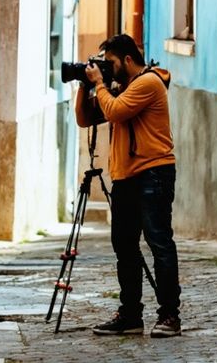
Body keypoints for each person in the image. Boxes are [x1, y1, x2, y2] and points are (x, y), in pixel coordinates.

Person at [75, 33, 181, 338]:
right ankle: (131, 315)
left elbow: (116, 112)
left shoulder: (148, 83)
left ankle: (170, 315)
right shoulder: (119, 89)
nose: (106, 69)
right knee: (124, 246)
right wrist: (86, 85)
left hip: (152, 173)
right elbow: (86, 119)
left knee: (159, 242)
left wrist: (99, 85)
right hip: (125, 177)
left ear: (128, 60)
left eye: (110, 63)